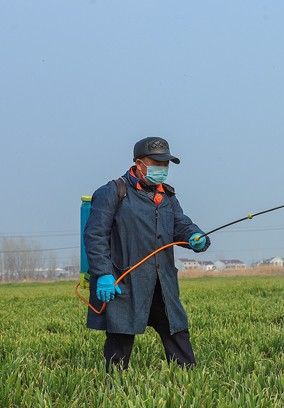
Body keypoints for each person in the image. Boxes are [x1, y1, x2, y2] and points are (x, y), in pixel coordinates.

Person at [84, 136, 210, 371]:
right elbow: (95, 236)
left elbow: (179, 225)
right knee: (120, 333)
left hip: (161, 281)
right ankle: (114, 383)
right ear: (139, 163)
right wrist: (103, 274)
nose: (162, 169)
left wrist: (196, 237)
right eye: (157, 163)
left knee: (176, 328)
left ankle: (190, 378)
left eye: (165, 165)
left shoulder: (167, 196)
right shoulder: (113, 192)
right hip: (125, 280)